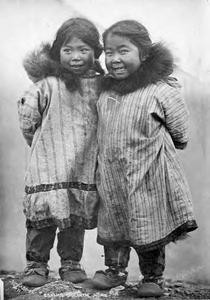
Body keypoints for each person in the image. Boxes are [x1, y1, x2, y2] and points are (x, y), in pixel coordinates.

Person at [92, 20, 198, 297]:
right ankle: (114, 271)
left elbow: (182, 134)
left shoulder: (160, 90)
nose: (114, 59)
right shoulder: (105, 91)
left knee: (147, 221)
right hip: (112, 174)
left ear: (144, 54)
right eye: (109, 51)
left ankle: (153, 277)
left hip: (148, 173)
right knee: (113, 219)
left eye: (123, 51)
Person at [17, 17, 104, 287]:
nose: (76, 57)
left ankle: (70, 264)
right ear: (58, 52)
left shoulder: (101, 85)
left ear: (95, 52)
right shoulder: (47, 85)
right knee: (42, 219)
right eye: (68, 50)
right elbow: (28, 121)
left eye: (83, 49)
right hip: (47, 165)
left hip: (82, 165)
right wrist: (44, 147)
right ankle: (36, 265)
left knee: (74, 217)